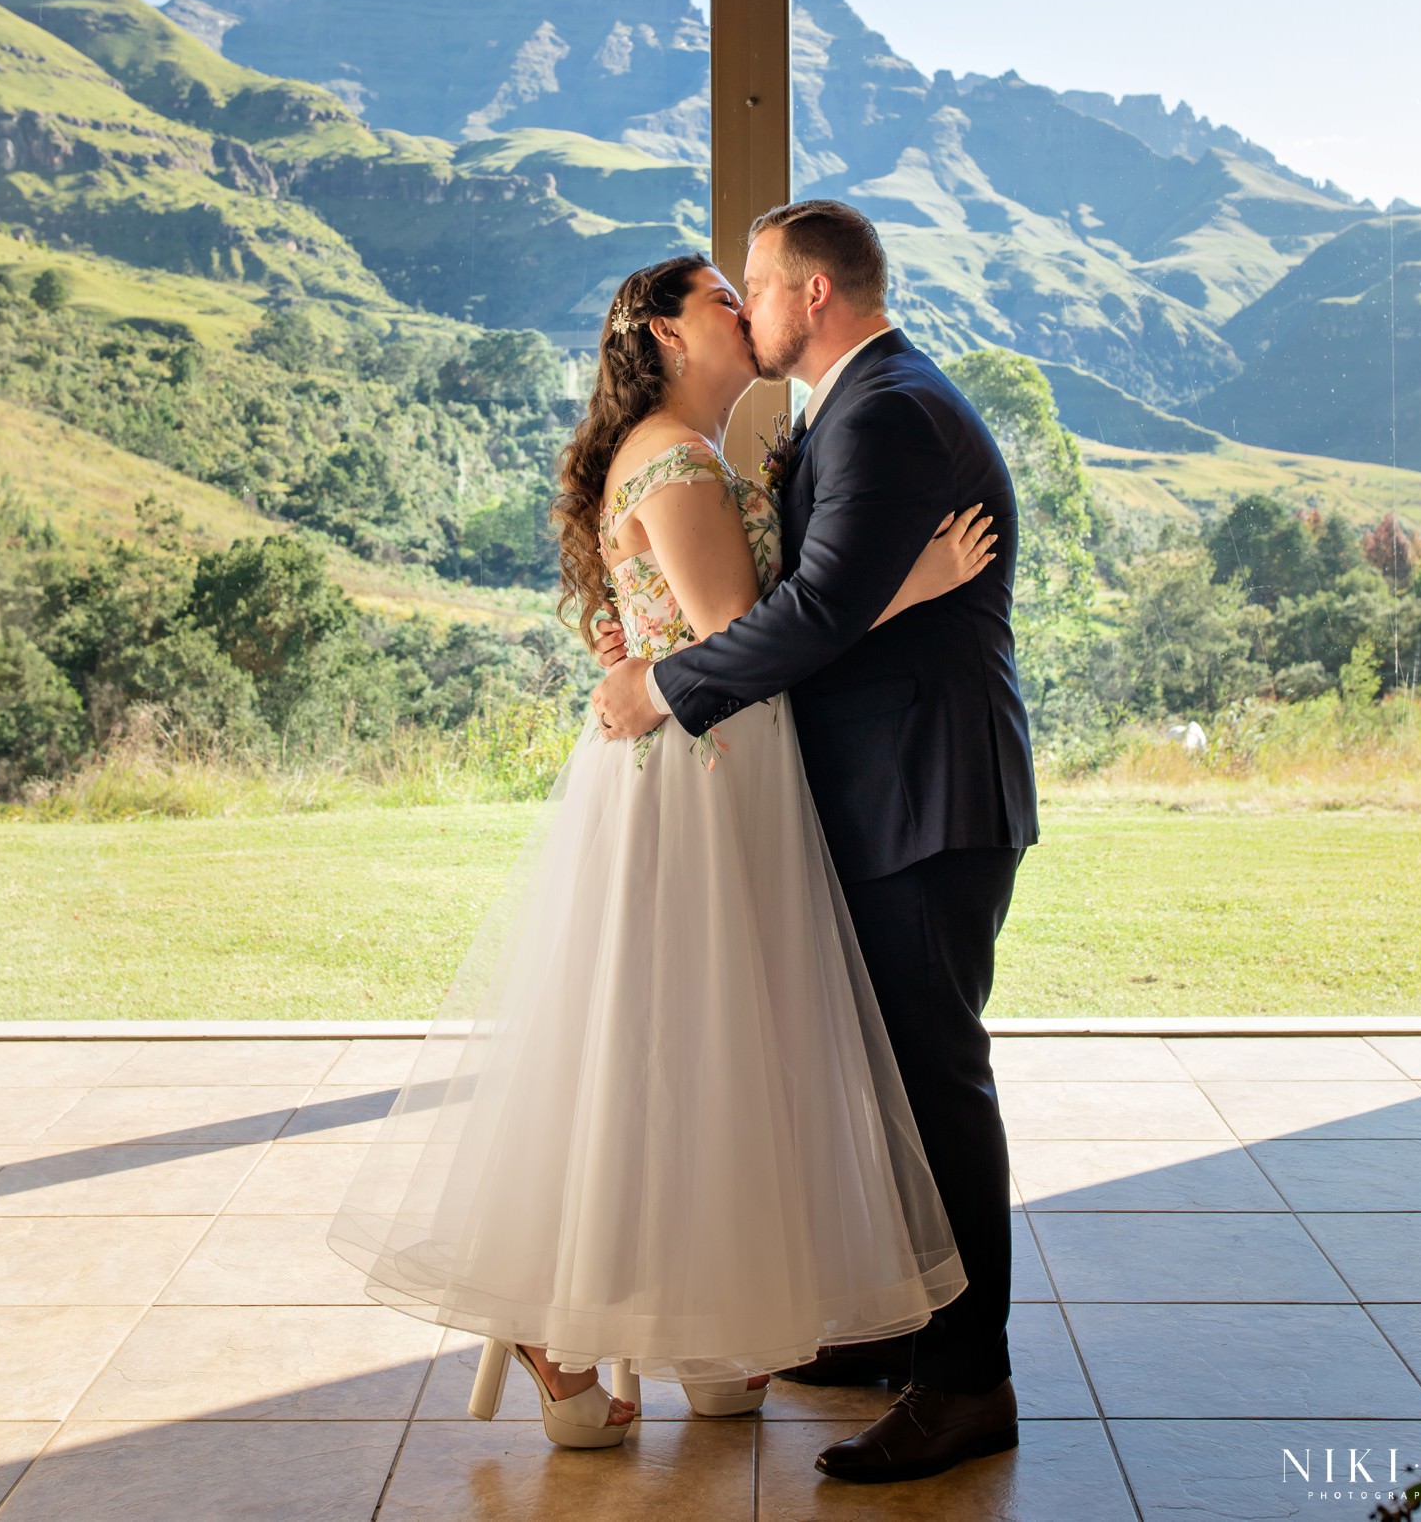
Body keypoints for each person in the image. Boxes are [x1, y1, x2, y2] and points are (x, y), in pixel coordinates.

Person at [326, 247, 994, 1453]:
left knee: (713, 1052)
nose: (742, 313)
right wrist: (913, 584)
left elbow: (753, 624)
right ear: (668, 337)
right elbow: (751, 629)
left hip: (724, 768)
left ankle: (698, 1323)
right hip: (695, 777)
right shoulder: (677, 459)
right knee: (669, 1049)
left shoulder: (706, 454)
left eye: (752, 293)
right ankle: (562, 1324)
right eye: (720, 301)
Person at [593, 199, 1040, 1485]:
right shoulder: (853, 406)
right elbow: (801, 599)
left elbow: (820, 609)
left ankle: (968, 1385)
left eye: (758, 285)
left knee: (937, 1081)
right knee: (896, 1083)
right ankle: (907, 1331)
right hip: (884, 792)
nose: (746, 302)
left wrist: (665, 689)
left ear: (815, 297)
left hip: (925, 798)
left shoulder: (887, 408)